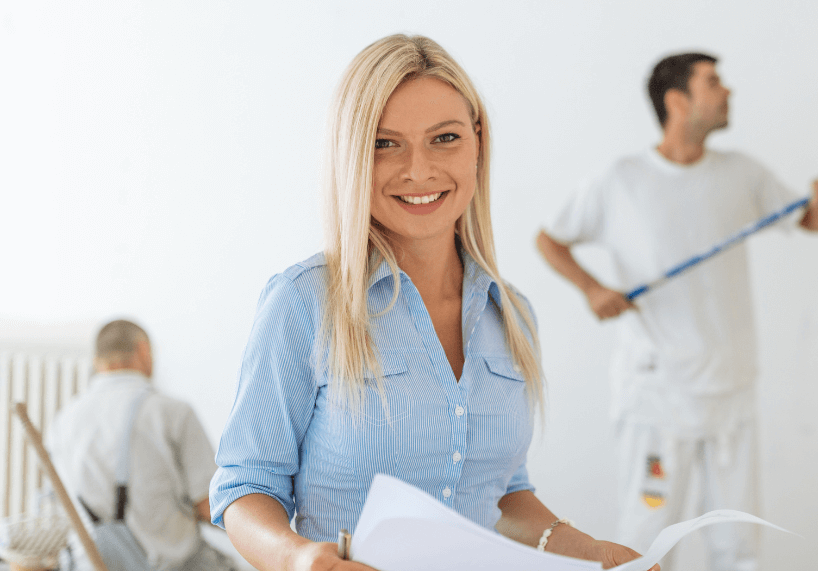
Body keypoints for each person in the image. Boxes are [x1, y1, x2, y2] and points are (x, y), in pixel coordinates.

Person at [209, 34, 656, 571]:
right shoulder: (304, 303)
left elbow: (503, 497)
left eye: (443, 138)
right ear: (351, 155)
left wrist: (593, 553)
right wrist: (300, 560)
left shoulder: (511, 315)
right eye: (384, 143)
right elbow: (244, 487)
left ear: (477, 141)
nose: (418, 171)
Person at [536, 52, 818, 571]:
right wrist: (593, 289)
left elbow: (809, 219)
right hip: (658, 399)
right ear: (677, 101)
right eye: (714, 83)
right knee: (649, 543)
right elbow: (550, 239)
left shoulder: (741, 173)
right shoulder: (622, 180)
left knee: (739, 546)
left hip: (732, 392)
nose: (728, 92)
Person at [46, 319, 236, 571]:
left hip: (90, 565)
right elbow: (210, 505)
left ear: (97, 360)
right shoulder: (171, 412)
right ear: (143, 350)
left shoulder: (63, 421)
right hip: (169, 565)